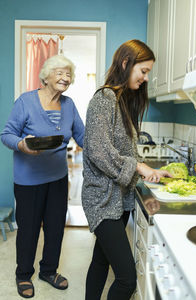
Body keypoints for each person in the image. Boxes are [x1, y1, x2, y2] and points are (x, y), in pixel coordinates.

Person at [81, 39, 172, 300]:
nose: (145, 78)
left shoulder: (122, 101)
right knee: (126, 279)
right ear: (125, 63)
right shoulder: (104, 99)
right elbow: (98, 151)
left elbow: (121, 151)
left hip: (117, 200)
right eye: (143, 71)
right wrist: (139, 166)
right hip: (102, 200)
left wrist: (148, 170)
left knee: (100, 261)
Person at [1, 55, 84, 298]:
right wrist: (21, 145)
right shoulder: (25, 102)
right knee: (28, 230)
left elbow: (82, 136)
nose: (65, 78)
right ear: (45, 77)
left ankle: (48, 270)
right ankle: (23, 274)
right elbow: (6, 134)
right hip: (28, 180)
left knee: (56, 228)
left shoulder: (69, 104)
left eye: (68, 74)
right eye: (59, 72)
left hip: (58, 178)